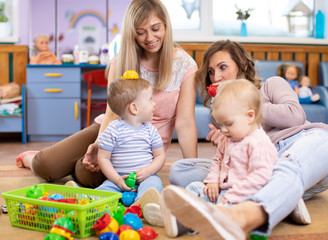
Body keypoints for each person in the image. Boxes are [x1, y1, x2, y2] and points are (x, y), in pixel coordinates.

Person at [164, 40, 328, 239]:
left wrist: (245, 104)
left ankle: (241, 216)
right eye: (211, 72)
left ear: (243, 66)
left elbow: (296, 115)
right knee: (180, 170)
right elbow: (234, 158)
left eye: (223, 67)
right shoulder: (220, 113)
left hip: (303, 143)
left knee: (288, 166)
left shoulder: (271, 85)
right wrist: (228, 142)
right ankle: (282, 199)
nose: (216, 77)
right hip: (259, 167)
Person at [15, 0, 198, 189]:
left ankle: (72, 164)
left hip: (141, 149)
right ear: (132, 33)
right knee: (45, 165)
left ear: (166, 26)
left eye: (155, 29)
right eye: (141, 32)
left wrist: (193, 172)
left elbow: (185, 124)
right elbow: (112, 113)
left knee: (85, 174)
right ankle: (33, 159)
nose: (149, 38)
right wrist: (98, 144)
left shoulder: (185, 65)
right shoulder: (121, 61)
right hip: (111, 130)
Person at [186, 79, 278, 206]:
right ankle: (177, 212)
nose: (223, 130)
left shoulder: (258, 143)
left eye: (228, 124)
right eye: (220, 124)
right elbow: (218, 160)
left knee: (224, 211)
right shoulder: (227, 138)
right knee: (194, 188)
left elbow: (261, 176)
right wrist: (213, 181)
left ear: (250, 116)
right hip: (223, 191)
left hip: (244, 196)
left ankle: (199, 217)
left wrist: (232, 196)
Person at [95, 73, 165, 202]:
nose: (154, 104)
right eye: (150, 99)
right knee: (105, 189)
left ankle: (142, 203)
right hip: (119, 179)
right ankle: (90, 199)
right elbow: (103, 158)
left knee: (154, 184)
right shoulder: (112, 130)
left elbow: (160, 156)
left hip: (146, 178)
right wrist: (116, 179)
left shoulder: (151, 130)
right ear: (134, 108)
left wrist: (148, 172)